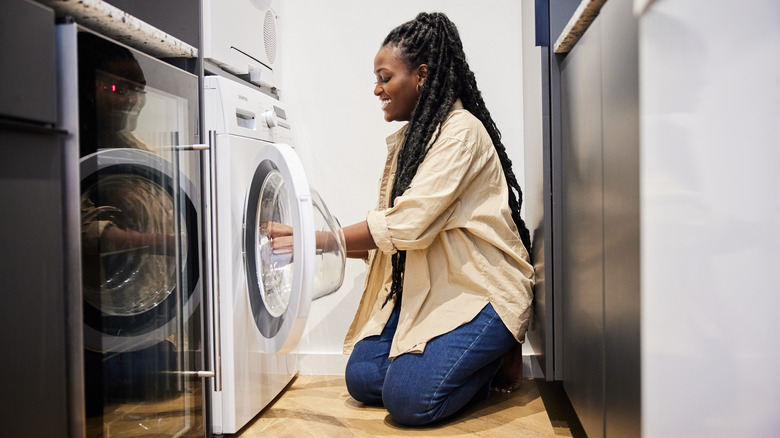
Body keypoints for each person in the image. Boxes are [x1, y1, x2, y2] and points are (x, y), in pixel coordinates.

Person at [339, 12, 535, 426]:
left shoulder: (461, 132)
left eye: (385, 77)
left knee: (409, 400)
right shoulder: (411, 139)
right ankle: (445, 364)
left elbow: (406, 226)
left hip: (481, 291)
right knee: (361, 378)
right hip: (432, 291)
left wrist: (318, 240)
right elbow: (393, 228)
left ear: (422, 75)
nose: (377, 89)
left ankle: (493, 355)